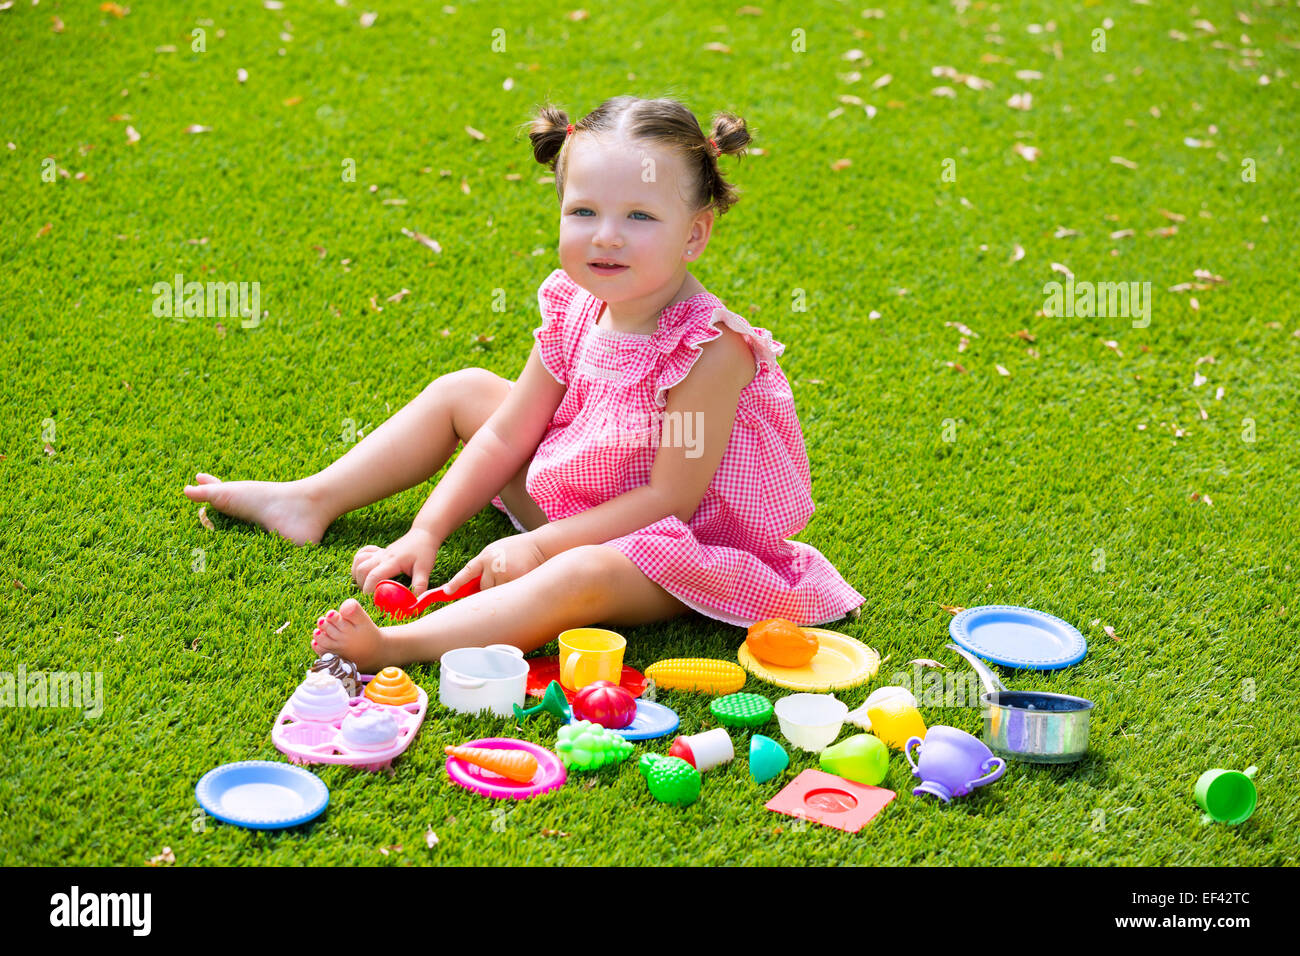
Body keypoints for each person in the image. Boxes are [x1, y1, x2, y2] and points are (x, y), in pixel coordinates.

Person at [183, 95, 864, 671]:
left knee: (579, 575)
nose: (607, 238)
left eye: (641, 217)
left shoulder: (709, 351)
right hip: (583, 492)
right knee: (465, 390)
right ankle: (311, 501)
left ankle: (397, 645)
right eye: (583, 212)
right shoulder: (575, 304)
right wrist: (427, 529)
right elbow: (511, 427)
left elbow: (667, 501)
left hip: (671, 548)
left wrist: (539, 546)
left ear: (695, 235)